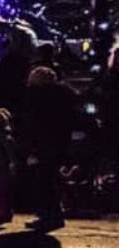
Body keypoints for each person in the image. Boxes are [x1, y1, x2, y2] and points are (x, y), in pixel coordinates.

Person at [19, 67, 75, 231]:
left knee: (43, 181)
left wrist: (30, 146)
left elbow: (33, 123)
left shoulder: (37, 97)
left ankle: (48, 215)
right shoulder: (63, 96)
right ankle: (52, 214)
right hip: (59, 142)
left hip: (43, 143)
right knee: (50, 179)